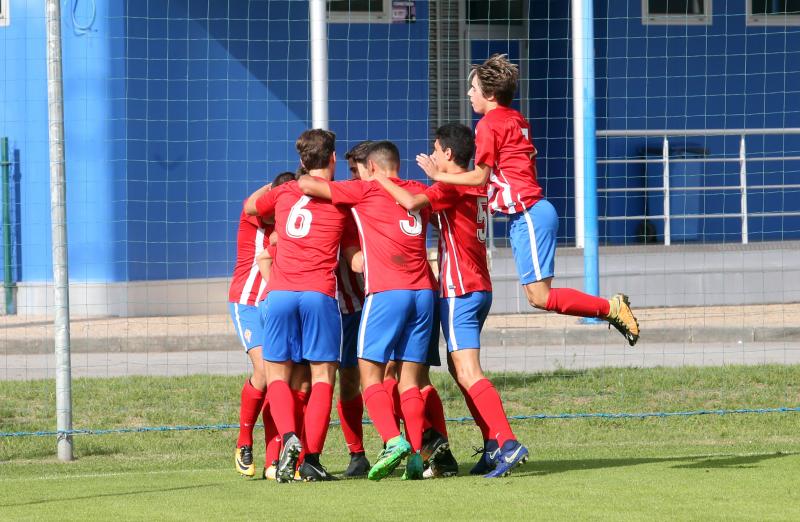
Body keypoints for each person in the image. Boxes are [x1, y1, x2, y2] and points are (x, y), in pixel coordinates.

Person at [417, 54, 640, 349]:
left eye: (473, 88)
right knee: (538, 297)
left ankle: (611, 309)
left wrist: (439, 177)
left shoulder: (487, 125)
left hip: (529, 214)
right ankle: (610, 308)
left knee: (540, 297)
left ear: (491, 94)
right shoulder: (516, 118)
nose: (469, 93)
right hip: (530, 214)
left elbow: (479, 178)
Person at [371, 123, 527, 478]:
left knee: (469, 370)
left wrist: (377, 177)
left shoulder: (451, 188)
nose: (432, 155)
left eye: (436, 150)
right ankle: (492, 445)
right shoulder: (473, 186)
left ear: (448, 154)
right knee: (459, 370)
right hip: (479, 286)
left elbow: (411, 202)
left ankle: (507, 442)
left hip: (459, 290)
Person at [298, 141, 437, 481]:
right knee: (410, 380)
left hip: (388, 291)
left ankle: (392, 441)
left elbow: (307, 184)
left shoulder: (365, 191)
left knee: (368, 371)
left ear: (372, 168)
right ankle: (418, 455)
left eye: (360, 169)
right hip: (424, 293)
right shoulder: (419, 189)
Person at [245, 129, 349, 482]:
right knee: (322, 375)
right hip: (318, 293)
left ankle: (287, 435)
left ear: (302, 162)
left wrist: (276, 189)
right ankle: (312, 458)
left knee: (277, 373)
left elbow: (250, 209)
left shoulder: (285, 192)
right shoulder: (342, 196)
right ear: (333, 158)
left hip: (280, 293)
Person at [230, 171, 294, 478]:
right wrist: (275, 185)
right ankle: (244, 440)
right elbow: (251, 202)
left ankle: (273, 459)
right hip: (247, 302)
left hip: (277, 304)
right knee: (266, 372)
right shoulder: (252, 216)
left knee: (279, 376)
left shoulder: (292, 222)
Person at [335, 141, 373, 478]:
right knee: (347, 381)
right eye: (347, 171)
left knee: (393, 375)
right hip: (348, 308)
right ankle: (357, 454)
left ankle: (414, 445)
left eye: (355, 169)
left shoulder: (397, 199)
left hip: (385, 302)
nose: (352, 178)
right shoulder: (344, 206)